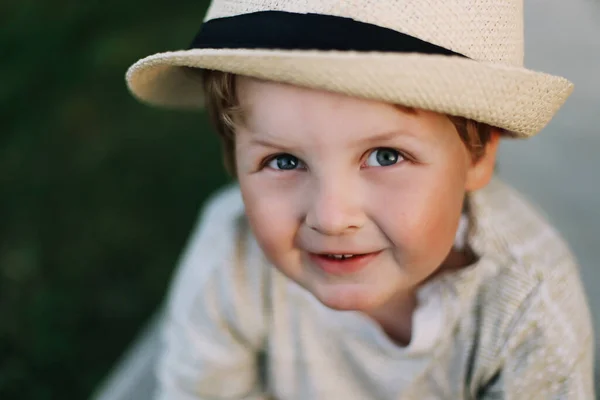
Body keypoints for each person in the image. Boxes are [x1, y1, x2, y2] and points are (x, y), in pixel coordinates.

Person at [125, 0, 595, 398]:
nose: (331, 217)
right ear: (233, 158)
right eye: (284, 161)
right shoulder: (230, 254)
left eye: (386, 155)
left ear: (478, 155)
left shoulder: (529, 305)